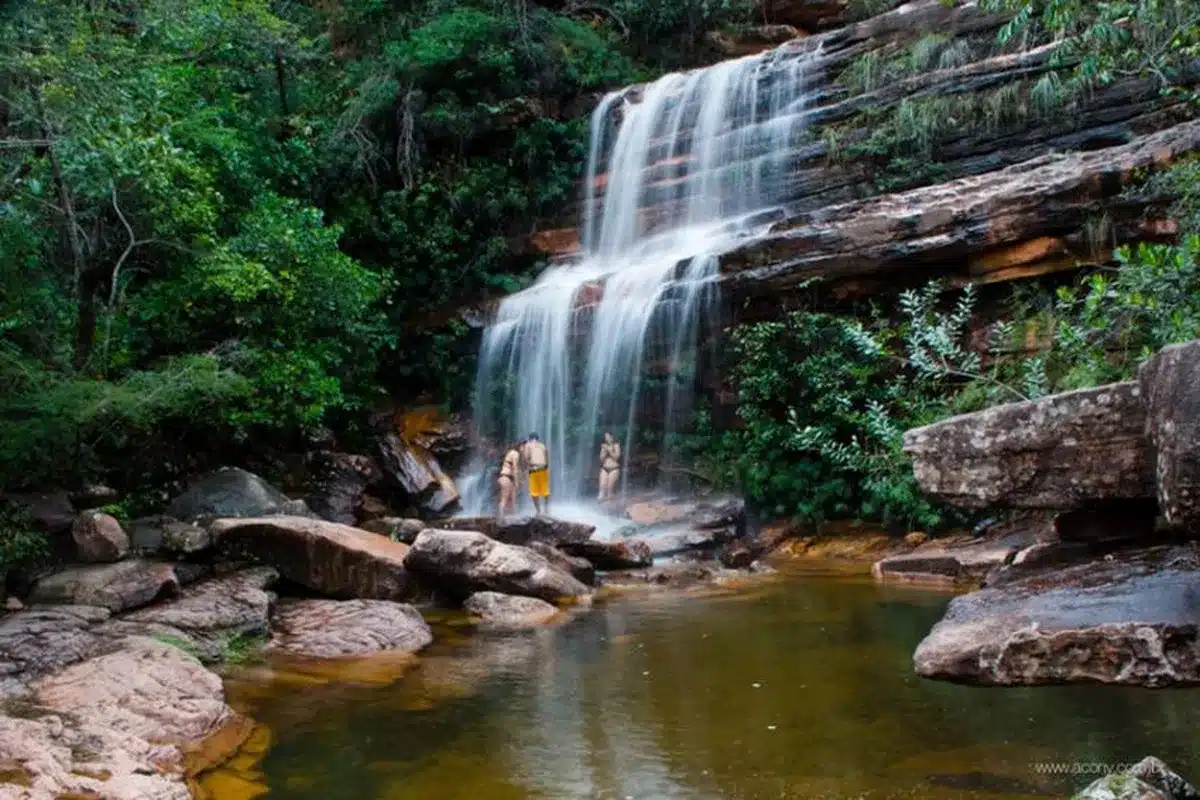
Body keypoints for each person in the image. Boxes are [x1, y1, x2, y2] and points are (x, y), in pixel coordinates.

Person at [522, 432, 550, 514]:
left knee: (534, 492)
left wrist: (525, 467)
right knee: (545, 490)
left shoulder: (528, 445)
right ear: (538, 439)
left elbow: (526, 457)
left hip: (534, 468)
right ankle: (546, 509)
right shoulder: (543, 445)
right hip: (544, 469)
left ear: (530, 439)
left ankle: (538, 511)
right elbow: (546, 458)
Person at [497, 442, 521, 517]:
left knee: (513, 499)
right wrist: (517, 482)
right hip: (506, 478)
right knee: (504, 499)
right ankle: (500, 518)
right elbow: (515, 468)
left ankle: (514, 516)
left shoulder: (510, 453)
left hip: (507, 478)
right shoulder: (515, 453)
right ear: (521, 446)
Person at [598, 432, 621, 503]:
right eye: (605, 437)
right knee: (602, 487)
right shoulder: (604, 446)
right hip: (604, 468)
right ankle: (601, 503)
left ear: (612, 437)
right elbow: (601, 459)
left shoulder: (616, 445)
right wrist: (604, 451)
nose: (606, 438)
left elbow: (617, 457)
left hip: (614, 468)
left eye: (608, 437)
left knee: (610, 488)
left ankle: (610, 503)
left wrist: (609, 450)